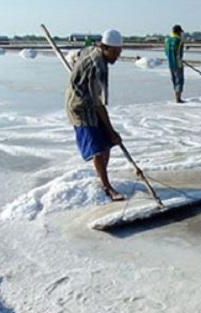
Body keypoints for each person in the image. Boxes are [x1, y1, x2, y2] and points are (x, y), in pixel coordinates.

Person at [66, 29, 125, 201]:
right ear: (104, 47)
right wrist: (112, 131)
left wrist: (76, 68)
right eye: (114, 52)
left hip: (90, 102)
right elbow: (99, 105)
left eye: (119, 52)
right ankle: (107, 187)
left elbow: (76, 55)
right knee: (99, 149)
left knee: (105, 144)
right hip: (80, 107)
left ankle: (103, 179)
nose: (116, 56)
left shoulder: (91, 49)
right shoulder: (98, 67)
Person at [164, 25, 185, 103]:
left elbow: (166, 52)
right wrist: (180, 59)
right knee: (179, 80)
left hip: (170, 63)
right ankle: (178, 98)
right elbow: (180, 53)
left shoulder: (167, 40)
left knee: (174, 80)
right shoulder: (179, 40)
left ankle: (176, 97)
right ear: (179, 32)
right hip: (178, 63)